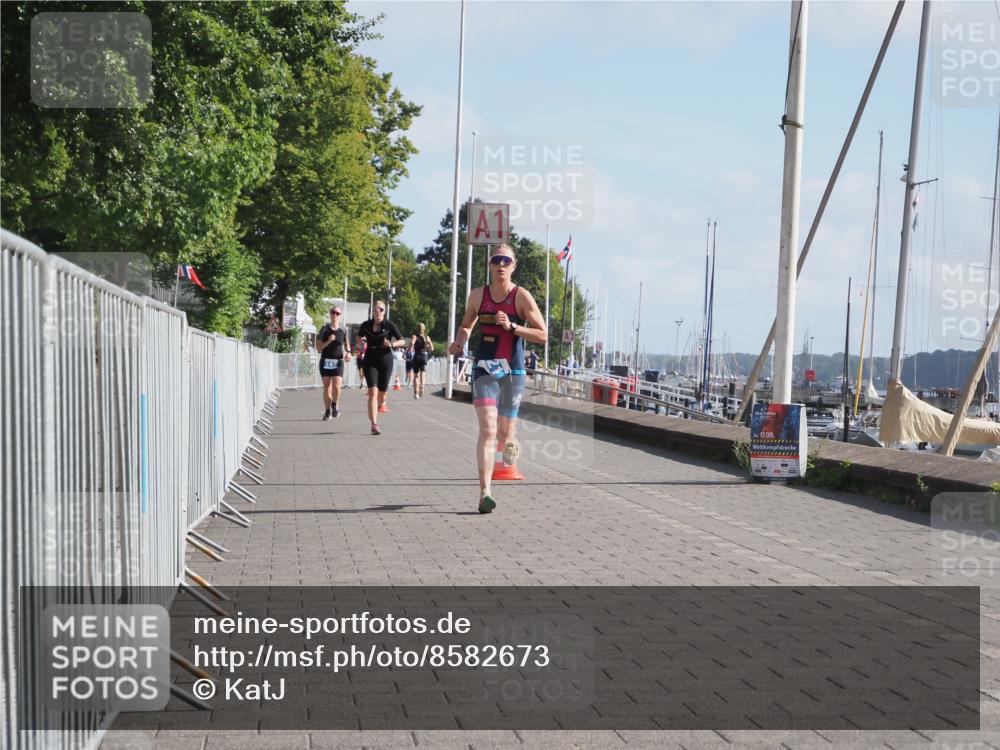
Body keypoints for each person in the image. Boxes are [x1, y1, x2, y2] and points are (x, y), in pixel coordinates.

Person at [448, 244, 547, 514]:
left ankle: (512, 439)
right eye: (496, 260)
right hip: (484, 368)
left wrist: (513, 326)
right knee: (489, 430)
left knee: (504, 432)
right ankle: (485, 492)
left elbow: (543, 334)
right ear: (490, 265)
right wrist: (459, 341)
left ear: (513, 266)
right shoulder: (478, 295)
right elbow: (467, 324)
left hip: (513, 371)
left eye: (506, 260)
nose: (500, 265)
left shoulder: (521, 297)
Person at [357, 301, 405, 435]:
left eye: (381, 309)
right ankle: (374, 424)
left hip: (385, 359)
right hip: (370, 358)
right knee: (373, 391)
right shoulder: (366, 325)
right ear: (372, 311)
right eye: (375, 309)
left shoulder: (389, 325)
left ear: (384, 312)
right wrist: (360, 343)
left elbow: (402, 340)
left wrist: (392, 344)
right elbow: (359, 336)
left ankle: (379, 405)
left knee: (382, 394)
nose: (378, 311)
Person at [316, 306, 351, 420]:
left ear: (340, 316)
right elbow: (318, 347)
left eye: (337, 313)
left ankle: (335, 405)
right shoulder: (324, 329)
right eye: (333, 312)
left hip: (338, 361)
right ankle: (327, 411)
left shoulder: (343, 330)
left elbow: (346, 343)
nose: (335, 314)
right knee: (327, 387)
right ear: (330, 314)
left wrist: (349, 352)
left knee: (336, 386)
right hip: (325, 360)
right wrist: (328, 341)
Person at [410, 323, 432, 399]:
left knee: (416, 375)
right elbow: (431, 349)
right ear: (424, 329)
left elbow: (412, 343)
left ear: (417, 329)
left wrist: (411, 345)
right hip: (423, 355)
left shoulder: (414, 336)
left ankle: (416, 393)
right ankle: (422, 386)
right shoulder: (427, 337)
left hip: (416, 355)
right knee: (423, 373)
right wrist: (428, 344)